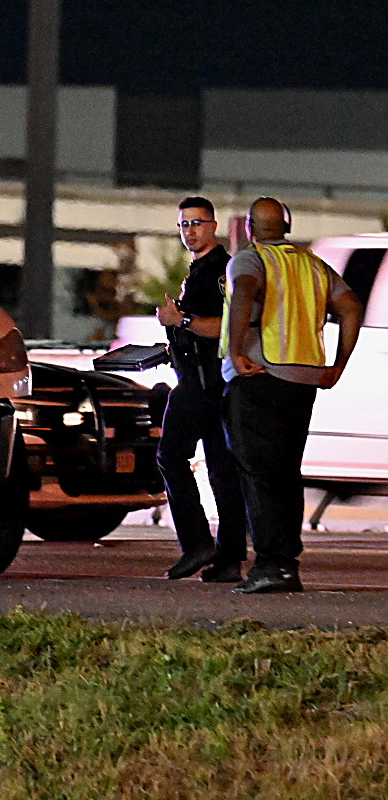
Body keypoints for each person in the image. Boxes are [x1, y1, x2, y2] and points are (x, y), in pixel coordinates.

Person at [222, 197, 362, 594]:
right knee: (285, 473)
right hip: (303, 382)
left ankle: (272, 565)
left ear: (250, 227)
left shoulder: (250, 261)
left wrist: (235, 350)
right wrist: (338, 365)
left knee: (258, 473)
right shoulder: (313, 264)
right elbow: (351, 307)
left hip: (260, 374)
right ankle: (287, 563)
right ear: (287, 225)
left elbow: (245, 291)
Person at [156, 196, 248, 583]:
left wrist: (183, 319)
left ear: (213, 226)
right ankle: (228, 560)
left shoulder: (217, 271)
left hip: (201, 383)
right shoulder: (202, 271)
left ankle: (197, 543)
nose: (190, 231)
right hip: (214, 383)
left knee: (170, 457)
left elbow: (223, 326)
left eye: (196, 223)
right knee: (224, 473)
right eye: (183, 225)